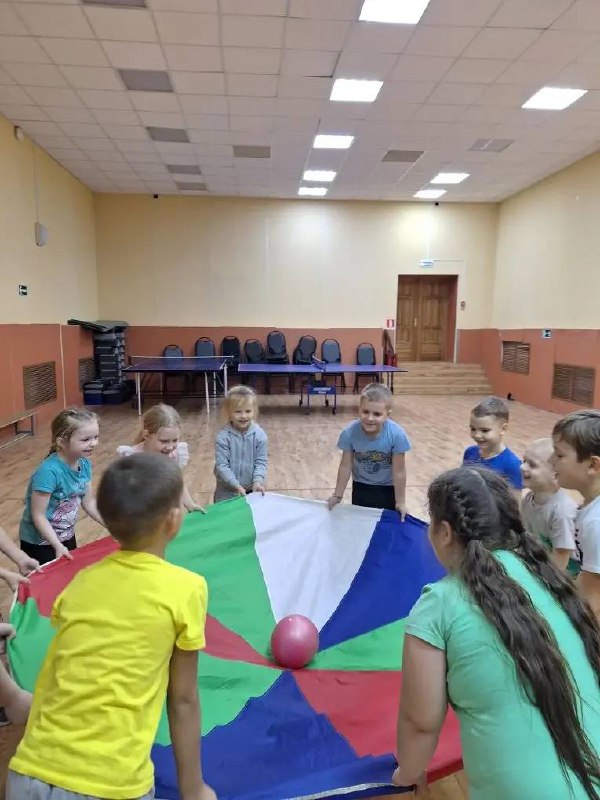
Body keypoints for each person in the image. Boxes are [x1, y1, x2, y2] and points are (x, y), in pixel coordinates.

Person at [8, 453, 215, 800]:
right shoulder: (187, 588)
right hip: (112, 783)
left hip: (29, 772)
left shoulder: (81, 581)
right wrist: (193, 788)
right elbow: (182, 698)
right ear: (174, 520)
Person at [393, 466, 600, 799]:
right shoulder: (551, 578)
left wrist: (408, 771)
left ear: (444, 532)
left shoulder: (440, 602)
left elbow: (420, 722)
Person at [19, 408, 103, 565]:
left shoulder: (84, 464)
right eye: (86, 439)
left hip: (66, 536)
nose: (94, 443)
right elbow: (38, 515)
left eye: (96, 437)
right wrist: (57, 545)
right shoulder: (48, 472)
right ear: (62, 442)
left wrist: (111, 526)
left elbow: (89, 502)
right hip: (39, 543)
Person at [328, 383, 410, 518]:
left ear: (387, 414)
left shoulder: (397, 435)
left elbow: (399, 472)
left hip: (388, 489)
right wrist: (337, 495)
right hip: (361, 487)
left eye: (377, 414)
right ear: (359, 409)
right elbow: (345, 466)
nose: (370, 418)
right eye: (365, 412)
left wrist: (400, 502)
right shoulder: (349, 433)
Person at [553, 410, 600, 618]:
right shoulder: (589, 508)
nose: (551, 460)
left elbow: (593, 601)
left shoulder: (595, 522)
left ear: (593, 465)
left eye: (559, 455)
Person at [117, 403, 205, 513]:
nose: (170, 447)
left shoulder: (174, 455)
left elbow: (177, 480)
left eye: (175, 440)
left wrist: (189, 503)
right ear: (146, 435)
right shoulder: (133, 457)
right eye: (164, 441)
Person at [520, 437, 578, 574]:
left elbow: (562, 556)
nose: (522, 467)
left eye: (532, 464)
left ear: (555, 475)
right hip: (543, 561)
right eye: (524, 461)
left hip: (569, 572)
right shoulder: (528, 499)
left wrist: (549, 582)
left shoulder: (562, 512)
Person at [214, 386, 267, 502]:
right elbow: (222, 466)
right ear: (229, 413)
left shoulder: (260, 435)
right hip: (226, 491)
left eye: (248, 411)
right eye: (238, 411)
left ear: (254, 411)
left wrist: (258, 482)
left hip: (252, 490)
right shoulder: (223, 437)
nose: (243, 416)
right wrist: (236, 485)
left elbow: (261, 463)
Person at [462, 396, 523, 492]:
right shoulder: (470, 452)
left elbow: (515, 499)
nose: (477, 435)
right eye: (473, 429)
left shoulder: (512, 465)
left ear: (503, 429)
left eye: (485, 430)